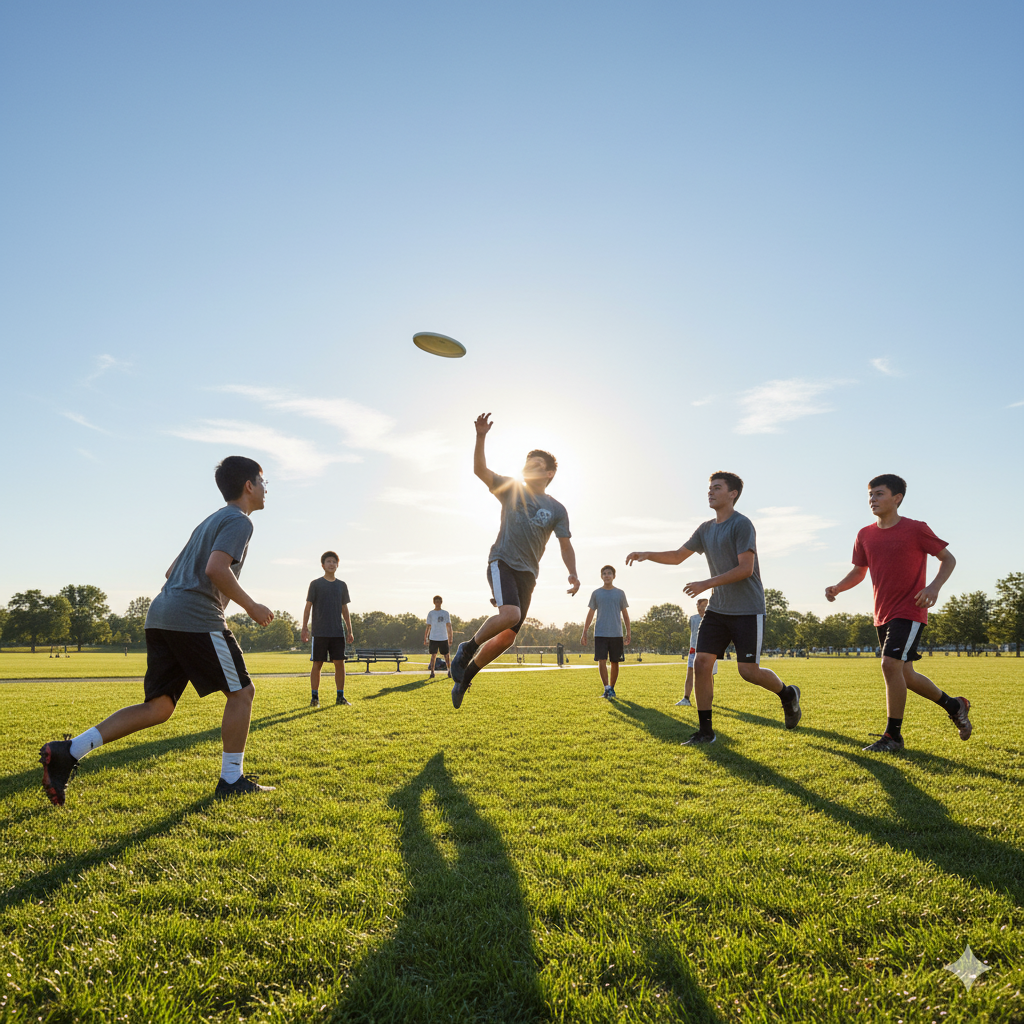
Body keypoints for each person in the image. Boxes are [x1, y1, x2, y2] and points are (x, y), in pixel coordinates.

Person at [39, 456, 276, 805]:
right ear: (249, 486)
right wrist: (251, 606)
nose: (266, 488)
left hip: (162, 614)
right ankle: (231, 780)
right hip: (193, 617)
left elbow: (171, 572)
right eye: (263, 480)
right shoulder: (239, 521)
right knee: (242, 693)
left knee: (159, 707)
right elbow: (215, 568)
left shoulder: (208, 521)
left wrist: (216, 605)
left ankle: (69, 751)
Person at [626, 471, 801, 745]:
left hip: (747, 609)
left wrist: (706, 583)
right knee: (702, 663)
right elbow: (677, 556)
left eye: (717, 488)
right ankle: (706, 732)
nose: (710, 492)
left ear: (732, 494)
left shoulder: (742, 525)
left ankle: (787, 694)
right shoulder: (705, 528)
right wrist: (647, 554)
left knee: (748, 672)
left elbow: (746, 569)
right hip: (718, 609)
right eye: (709, 488)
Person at [825, 473, 970, 752]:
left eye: (879, 494)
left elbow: (948, 559)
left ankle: (893, 737)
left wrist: (934, 588)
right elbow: (859, 571)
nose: (872, 500)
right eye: (870, 495)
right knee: (906, 674)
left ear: (897, 498)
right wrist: (838, 588)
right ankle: (955, 705)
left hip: (910, 609)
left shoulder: (916, 529)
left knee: (889, 665)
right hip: (883, 613)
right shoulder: (864, 534)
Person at [449, 413, 580, 707]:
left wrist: (572, 573)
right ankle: (465, 648)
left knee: (508, 637)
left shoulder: (557, 509)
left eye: (536, 465)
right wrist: (481, 436)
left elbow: (566, 544)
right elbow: (480, 470)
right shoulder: (511, 489)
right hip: (502, 561)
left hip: (528, 575)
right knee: (511, 615)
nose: (529, 468)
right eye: (527, 463)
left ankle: (465, 678)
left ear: (548, 474)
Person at [300, 551, 354, 707]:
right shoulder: (315, 584)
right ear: (322, 565)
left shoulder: (341, 585)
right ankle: (314, 698)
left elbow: (345, 609)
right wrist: (305, 628)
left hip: (337, 632)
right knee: (317, 663)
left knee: (340, 663)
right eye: (328, 561)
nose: (331, 564)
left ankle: (340, 697)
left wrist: (350, 630)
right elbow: (308, 607)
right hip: (320, 632)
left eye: (334, 562)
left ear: (337, 565)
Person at [580, 565, 630, 699]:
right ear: (601, 576)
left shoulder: (620, 593)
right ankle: (606, 688)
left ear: (614, 576)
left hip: (616, 633)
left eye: (609, 573)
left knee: (615, 662)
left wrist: (628, 632)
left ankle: (612, 688)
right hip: (600, 633)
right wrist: (584, 631)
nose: (607, 575)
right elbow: (590, 613)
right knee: (601, 660)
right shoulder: (596, 593)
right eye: (604, 573)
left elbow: (625, 615)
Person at [676, 597, 716, 706]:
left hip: (709, 650)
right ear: (697, 607)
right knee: (690, 673)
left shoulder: (714, 619)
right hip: (694, 650)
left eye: (706, 606)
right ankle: (686, 698)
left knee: (709, 675)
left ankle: (709, 698)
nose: (703, 608)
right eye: (701, 606)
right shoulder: (693, 619)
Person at [423, 595, 454, 678]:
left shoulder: (445, 613)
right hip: (433, 637)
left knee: (447, 655)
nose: (437, 603)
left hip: (443, 637)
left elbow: (449, 626)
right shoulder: (431, 613)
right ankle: (432, 672)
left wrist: (450, 637)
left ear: (441, 602)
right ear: (434, 603)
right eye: (436, 601)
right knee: (433, 655)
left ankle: (449, 671)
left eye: (439, 601)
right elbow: (428, 627)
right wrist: (426, 638)